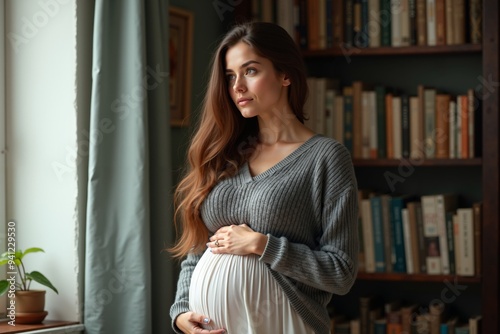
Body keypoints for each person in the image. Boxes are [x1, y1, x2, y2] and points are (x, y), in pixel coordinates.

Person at [169, 21, 359, 334]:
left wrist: (261, 244)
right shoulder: (225, 154)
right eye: (230, 76)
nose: (237, 86)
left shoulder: (325, 157)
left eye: (251, 71)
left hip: (283, 324)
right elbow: (199, 250)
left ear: (286, 74)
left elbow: (340, 272)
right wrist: (181, 314)